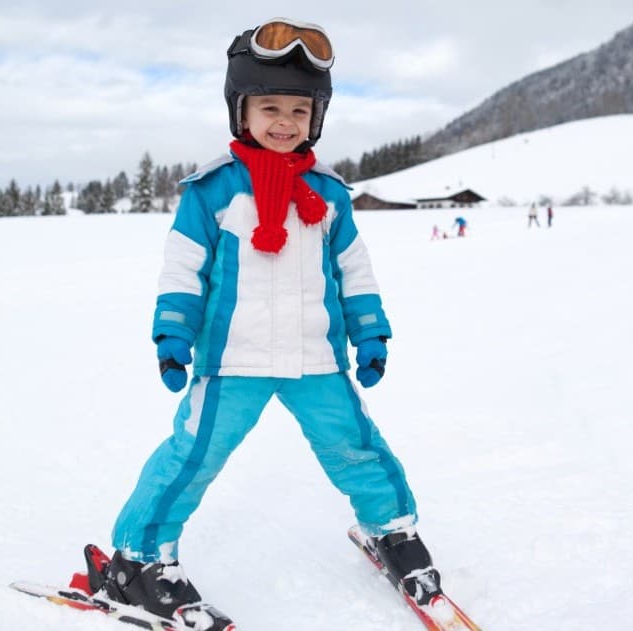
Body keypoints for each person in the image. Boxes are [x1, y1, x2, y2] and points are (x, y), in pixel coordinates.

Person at [87, 18, 442, 629]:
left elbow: (354, 272)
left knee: (357, 449)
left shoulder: (328, 195)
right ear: (240, 111)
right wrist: (173, 334)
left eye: (299, 110)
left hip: (316, 359)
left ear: (317, 118)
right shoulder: (213, 191)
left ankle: (392, 530)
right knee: (191, 457)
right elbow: (183, 269)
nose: (284, 122)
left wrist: (371, 332)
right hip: (233, 362)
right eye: (269, 107)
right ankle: (137, 561)